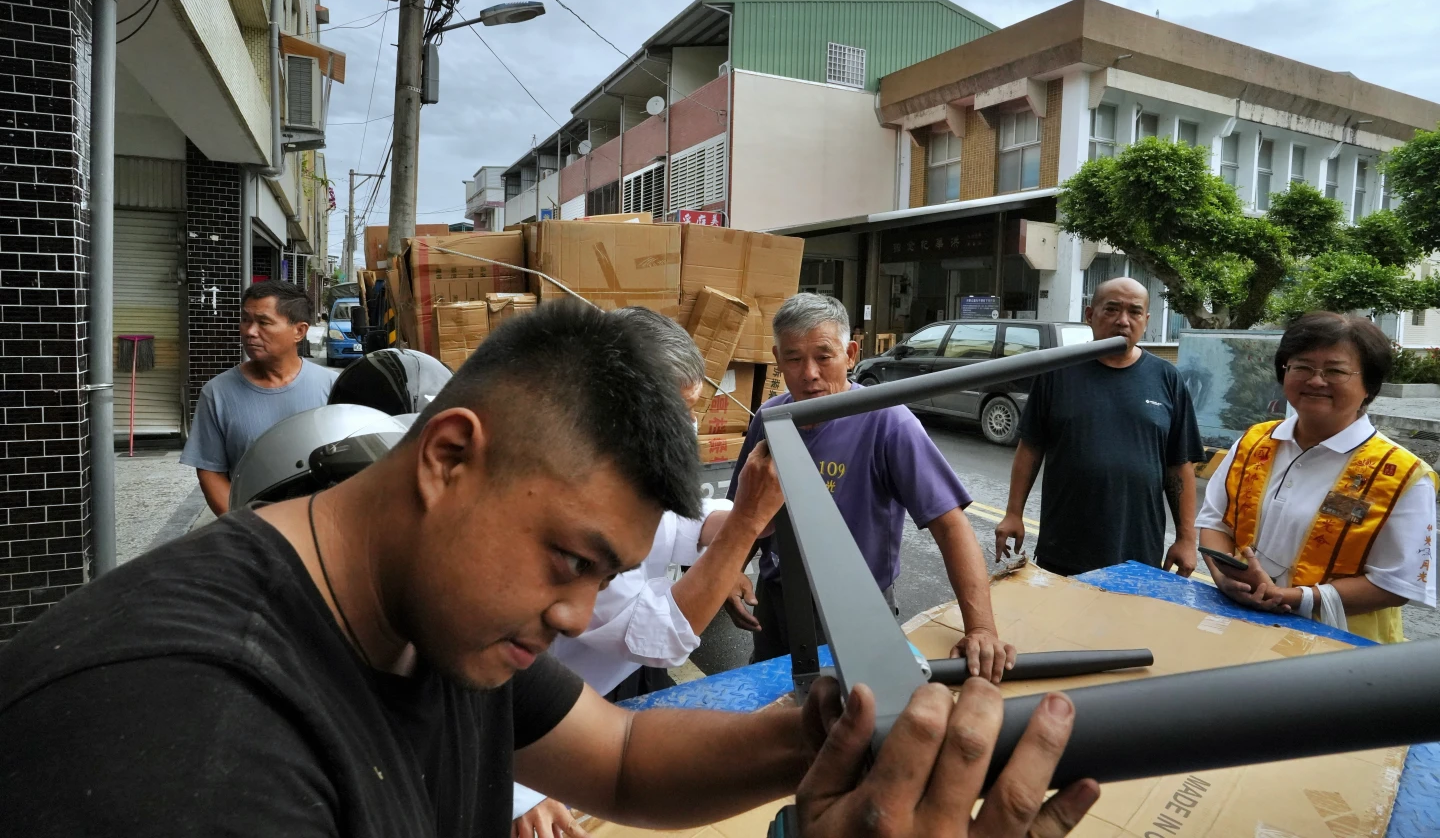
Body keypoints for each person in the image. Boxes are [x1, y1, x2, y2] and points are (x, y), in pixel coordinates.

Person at [0, 299, 1098, 838]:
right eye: (573, 560)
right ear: (447, 456)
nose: (580, 612)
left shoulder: (431, 617)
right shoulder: (200, 756)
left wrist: (830, 734)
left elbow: (619, 758)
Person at [512, 307, 786, 838]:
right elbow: (660, 634)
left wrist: (734, 524)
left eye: (691, 412)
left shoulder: (622, 459)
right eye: (675, 411)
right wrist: (747, 521)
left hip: (602, 690)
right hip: (533, 727)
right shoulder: (571, 484)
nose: (685, 430)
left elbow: (677, 523)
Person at [730, 293, 1015, 681]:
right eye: (794, 358)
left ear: (850, 354)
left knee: (860, 717)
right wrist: (729, 569)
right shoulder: (770, 418)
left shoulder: (887, 420)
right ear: (778, 360)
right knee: (771, 710)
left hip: (859, 607)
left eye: (823, 356)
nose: (809, 372)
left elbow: (950, 526)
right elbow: (744, 511)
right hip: (777, 600)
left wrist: (981, 629)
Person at [1196, 312, 1438, 643]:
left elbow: (1397, 584)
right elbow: (1215, 522)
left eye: (1335, 371)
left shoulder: (1400, 474)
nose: (1315, 380)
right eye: (1302, 367)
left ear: (1369, 384)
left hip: (1338, 651)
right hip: (1240, 624)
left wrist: (1295, 599)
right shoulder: (1255, 441)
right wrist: (1224, 577)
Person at [996, 277, 1205, 577]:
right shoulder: (1057, 372)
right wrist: (1013, 513)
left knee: (1128, 623)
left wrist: (1186, 539)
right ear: (1089, 315)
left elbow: (1179, 464)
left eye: (1134, 312)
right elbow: (1030, 447)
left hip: (1139, 552)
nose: (1123, 321)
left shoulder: (1167, 379)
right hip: (1064, 547)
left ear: (1146, 320)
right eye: (1112, 310)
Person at [180, 279, 336, 515]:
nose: (250, 332)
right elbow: (210, 471)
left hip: (323, 530)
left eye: (264, 322)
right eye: (246, 320)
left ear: (299, 331)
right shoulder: (217, 393)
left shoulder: (332, 387)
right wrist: (246, 529)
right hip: (254, 534)